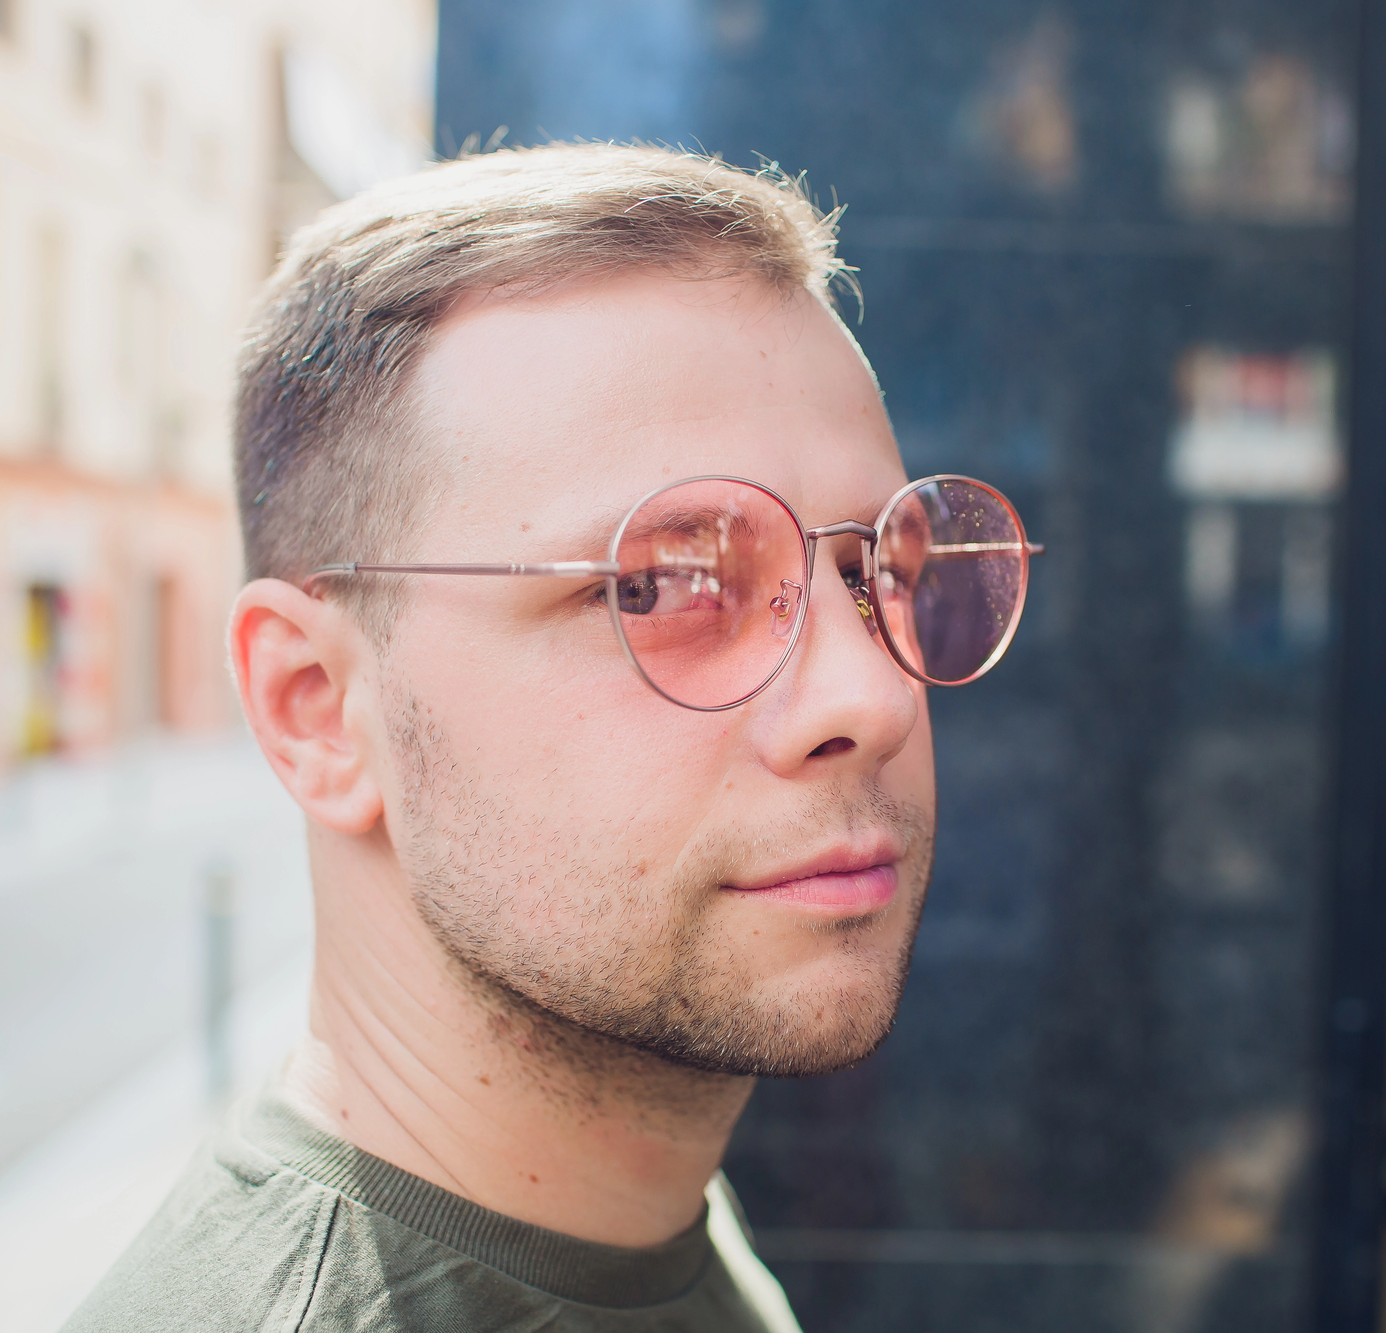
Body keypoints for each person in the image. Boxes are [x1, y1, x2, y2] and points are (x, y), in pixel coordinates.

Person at [65, 143, 1038, 1332]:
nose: (871, 697)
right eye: (667, 582)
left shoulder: (637, 1221)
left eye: (875, 567)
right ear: (314, 705)